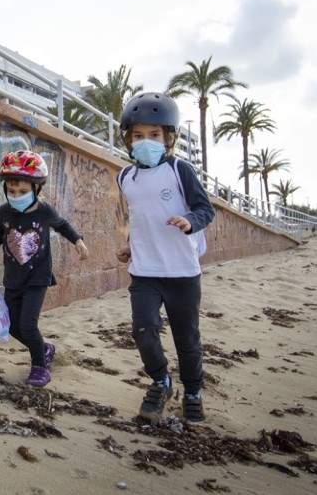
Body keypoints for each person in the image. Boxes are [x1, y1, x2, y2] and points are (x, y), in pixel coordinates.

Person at [115, 92, 215, 423]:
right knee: (143, 330)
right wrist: (132, 244)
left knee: (187, 340)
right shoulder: (125, 177)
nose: (146, 141)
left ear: (169, 137)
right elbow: (141, 216)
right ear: (128, 139)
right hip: (144, 272)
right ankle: (161, 381)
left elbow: (206, 209)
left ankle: (192, 391)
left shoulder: (179, 170)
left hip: (183, 273)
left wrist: (190, 223)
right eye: (139, 135)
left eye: (154, 135)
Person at [0, 150, 89, 387]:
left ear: (36, 189)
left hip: (37, 278)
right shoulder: (4, 212)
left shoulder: (44, 211)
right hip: (13, 279)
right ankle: (44, 348)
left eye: (22, 192)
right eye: (11, 191)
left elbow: (62, 225)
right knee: (11, 326)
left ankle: (39, 366)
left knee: (28, 324)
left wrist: (78, 241)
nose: (16, 196)